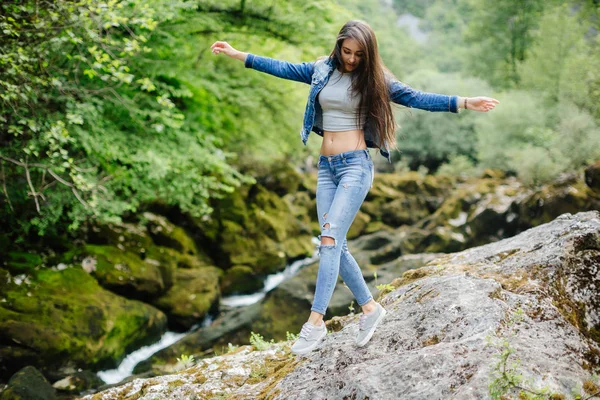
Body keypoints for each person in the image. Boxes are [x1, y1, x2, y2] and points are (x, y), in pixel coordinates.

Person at [210, 20, 499, 356]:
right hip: (326, 169)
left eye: (358, 55)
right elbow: (283, 68)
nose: (350, 59)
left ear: (368, 54)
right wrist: (237, 54)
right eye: (346, 51)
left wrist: (464, 102)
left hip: (355, 167)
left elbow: (417, 98)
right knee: (336, 245)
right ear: (338, 47)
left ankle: (315, 322)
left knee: (329, 240)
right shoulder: (321, 69)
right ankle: (370, 310)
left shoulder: (376, 80)